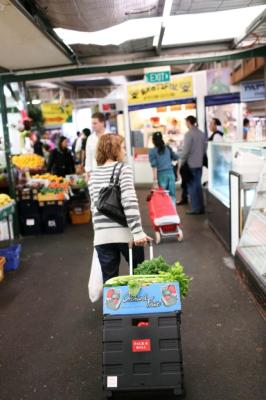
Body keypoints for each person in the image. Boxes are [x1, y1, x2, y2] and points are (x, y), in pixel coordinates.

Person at [89, 134, 150, 282]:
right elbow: (129, 200)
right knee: (139, 278)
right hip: (126, 234)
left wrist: (99, 236)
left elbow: (94, 208)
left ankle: (114, 306)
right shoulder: (123, 169)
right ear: (114, 150)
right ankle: (138, 305)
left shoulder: (93, 175)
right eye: (122, 147)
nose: (124, 151)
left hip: (102, 238)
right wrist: (137, 232)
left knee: (111, 284)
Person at [180, 116, 207, 215]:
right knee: (198, 185)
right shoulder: (202, 134)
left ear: (188, 122)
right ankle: (201, 207)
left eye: (186, 122)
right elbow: (205, 148)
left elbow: (186, 151)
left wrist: (182, 161)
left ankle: (195, 208)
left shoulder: (189, 134)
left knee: (191, 186)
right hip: (199, 163)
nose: (186, 124)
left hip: (190, 164)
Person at [149, 132, 179, 204]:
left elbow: (154, 166)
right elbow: (177, 158)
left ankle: (165, 213)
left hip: (161, 176)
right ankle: (173, 212)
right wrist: (178, 173)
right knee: (172, 195)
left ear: (153, 141)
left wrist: (155, 180)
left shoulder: (152, 151)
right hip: (171, 174)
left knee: (162, 195)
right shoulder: (168, 148)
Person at [85, 113, 106, 179]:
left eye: (95, 123)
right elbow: (88, 156)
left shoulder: (110, 136)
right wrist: (88, 170)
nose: (93, 126)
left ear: (102, 123)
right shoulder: (90, 138)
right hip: (95, 172)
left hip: (108, 172)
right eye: (92, 123)